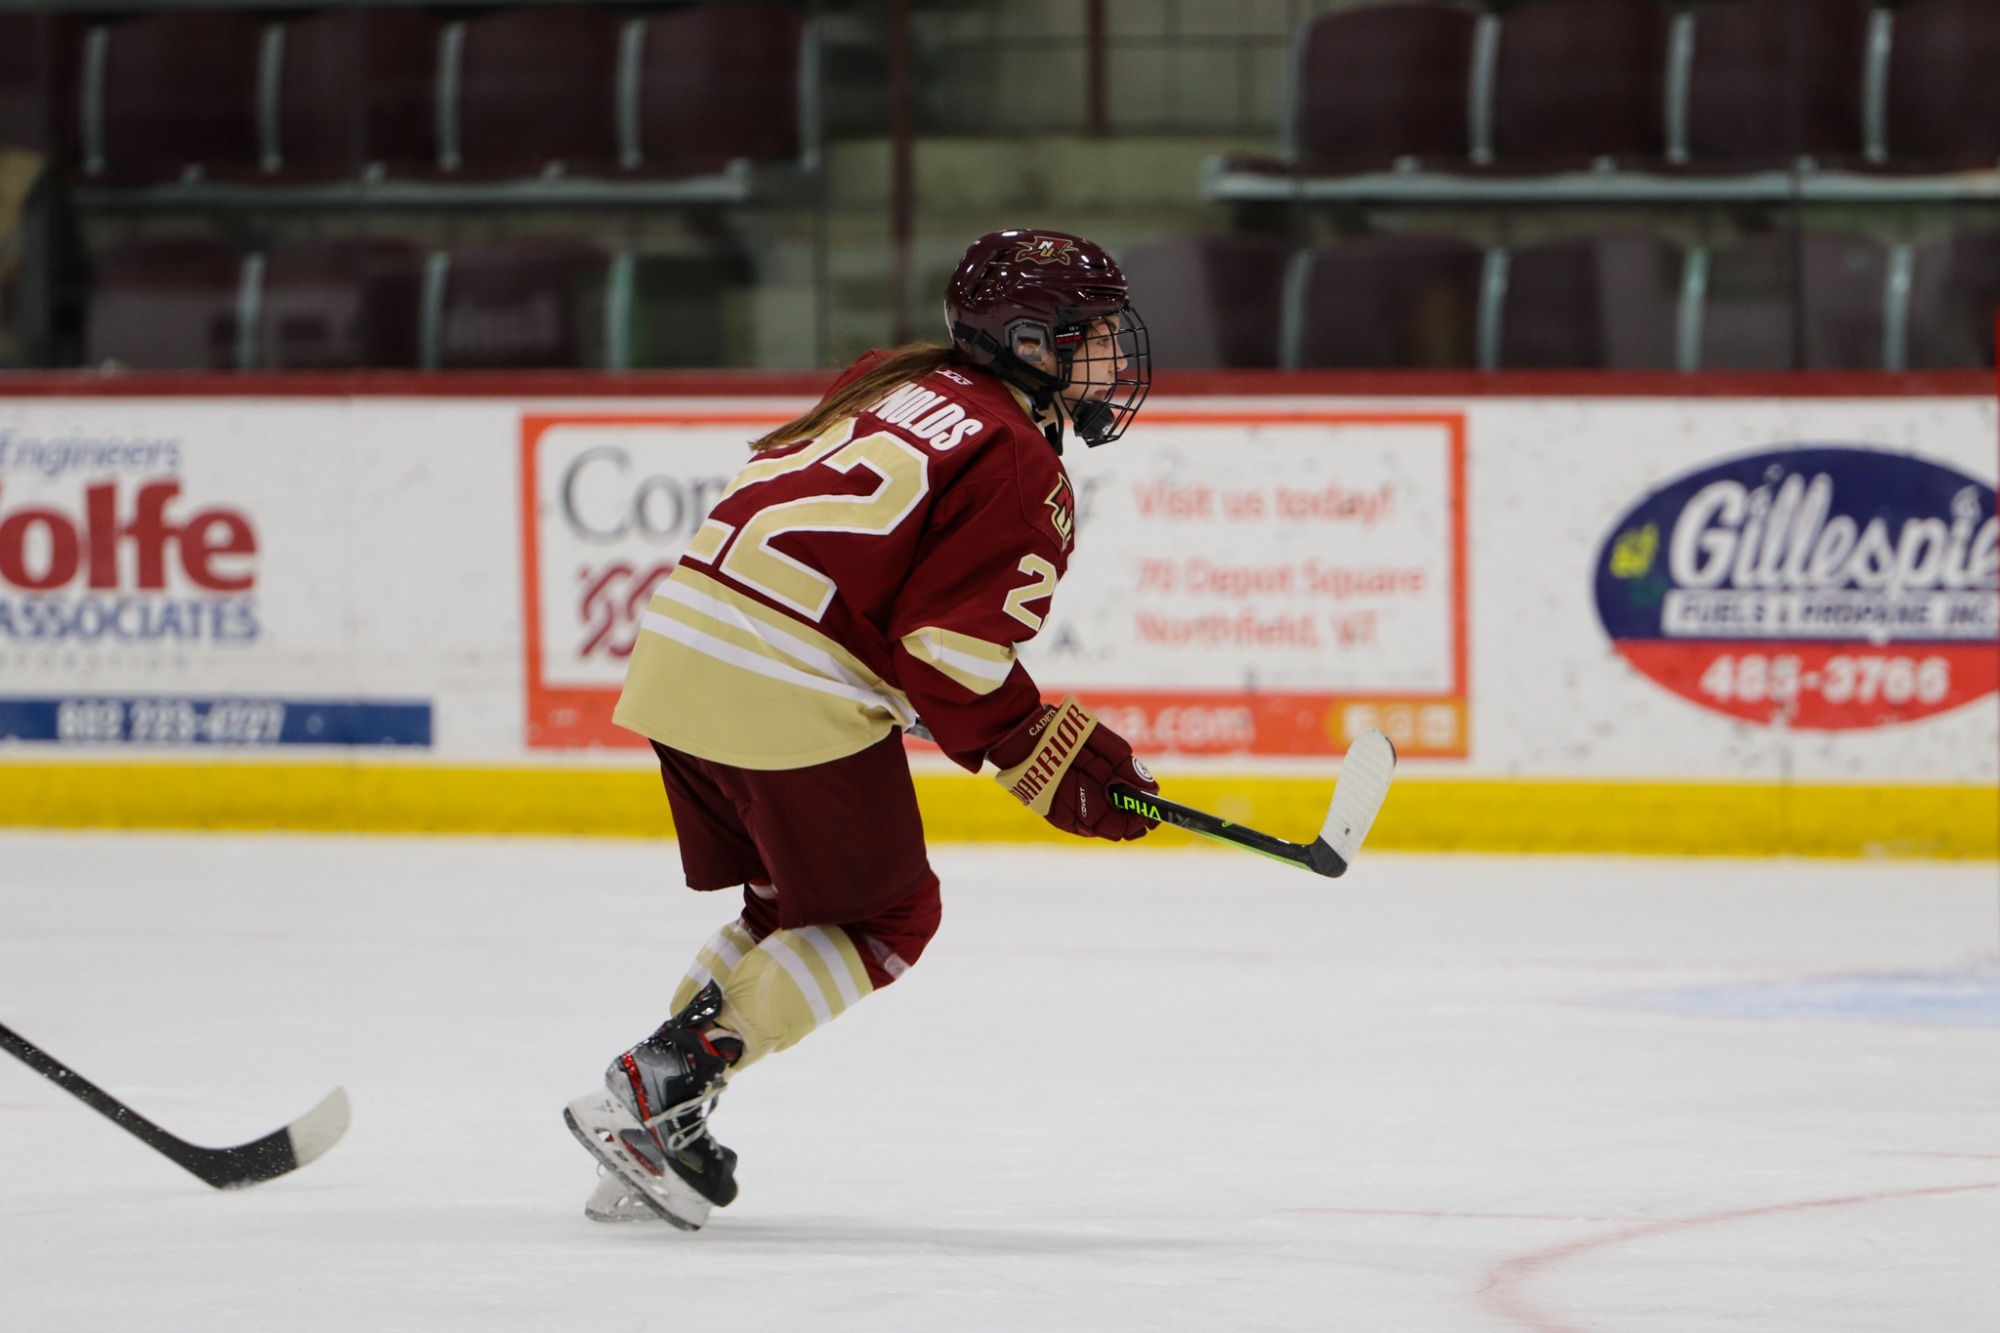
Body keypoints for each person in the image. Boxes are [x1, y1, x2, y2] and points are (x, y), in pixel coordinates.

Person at [563, 228, 1162, 1230]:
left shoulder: (889, 379)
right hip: (778, 678)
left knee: (786, 906)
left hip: (677, 645)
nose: (1113, 356)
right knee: (886, 919)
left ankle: (652, 1108)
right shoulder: (1019, 466)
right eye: (1091, 333)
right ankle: (659, 1086)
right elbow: (946, 658)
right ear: (1028, 340)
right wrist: (1042, 753)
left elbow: (897, 629)